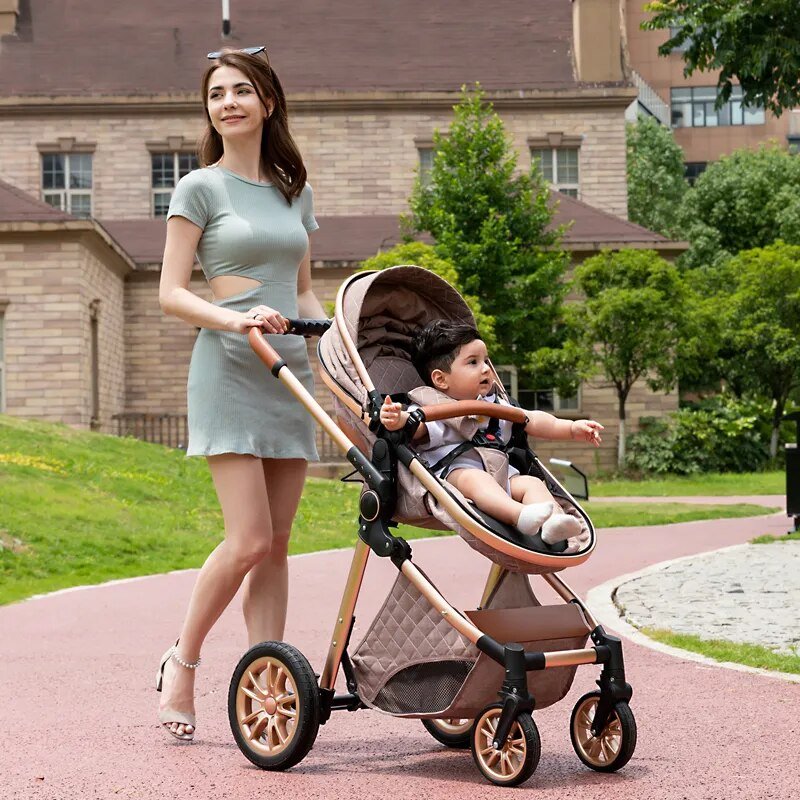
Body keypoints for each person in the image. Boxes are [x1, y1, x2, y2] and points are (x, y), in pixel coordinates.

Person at [156, 46, 326, 742]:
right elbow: (171, 293)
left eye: (241, 91)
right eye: (217, 93)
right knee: (249, 538)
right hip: (228, 365)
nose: (228, 102)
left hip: (289, 372)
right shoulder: (198, 188)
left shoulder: (294, 191)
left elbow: (306, 287)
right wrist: (238, 319)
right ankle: (183, 660)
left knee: (278, 544)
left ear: (268, 103)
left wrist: (331, 351)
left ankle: (268, 692)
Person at [379, 320, 603, 551]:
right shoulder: (435, 408)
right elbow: (417, 427)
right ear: (440, 379)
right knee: (475, 479)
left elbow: (533, 419)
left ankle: (553, 523)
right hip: (457, 476)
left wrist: (571, 428)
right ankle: (519, 515)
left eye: (486, 360)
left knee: (532, 483)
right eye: (473, 362)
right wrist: (398, 419)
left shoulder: (496, 405)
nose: (486, 368)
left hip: (504, 475)